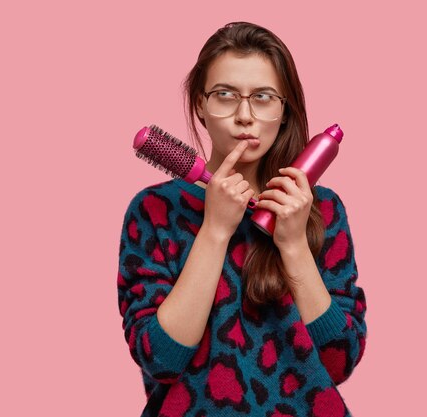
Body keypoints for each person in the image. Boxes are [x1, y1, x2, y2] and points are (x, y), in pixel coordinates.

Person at [117, 22, 367, 417]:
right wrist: (215, 231)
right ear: (200, 104)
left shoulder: (321, 209)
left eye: (264, 97)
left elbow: (339, 362)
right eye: (225, 95)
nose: (244, 116)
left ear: (284, 109)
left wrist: (293, 244)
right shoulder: (154, 212)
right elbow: (161, 358)